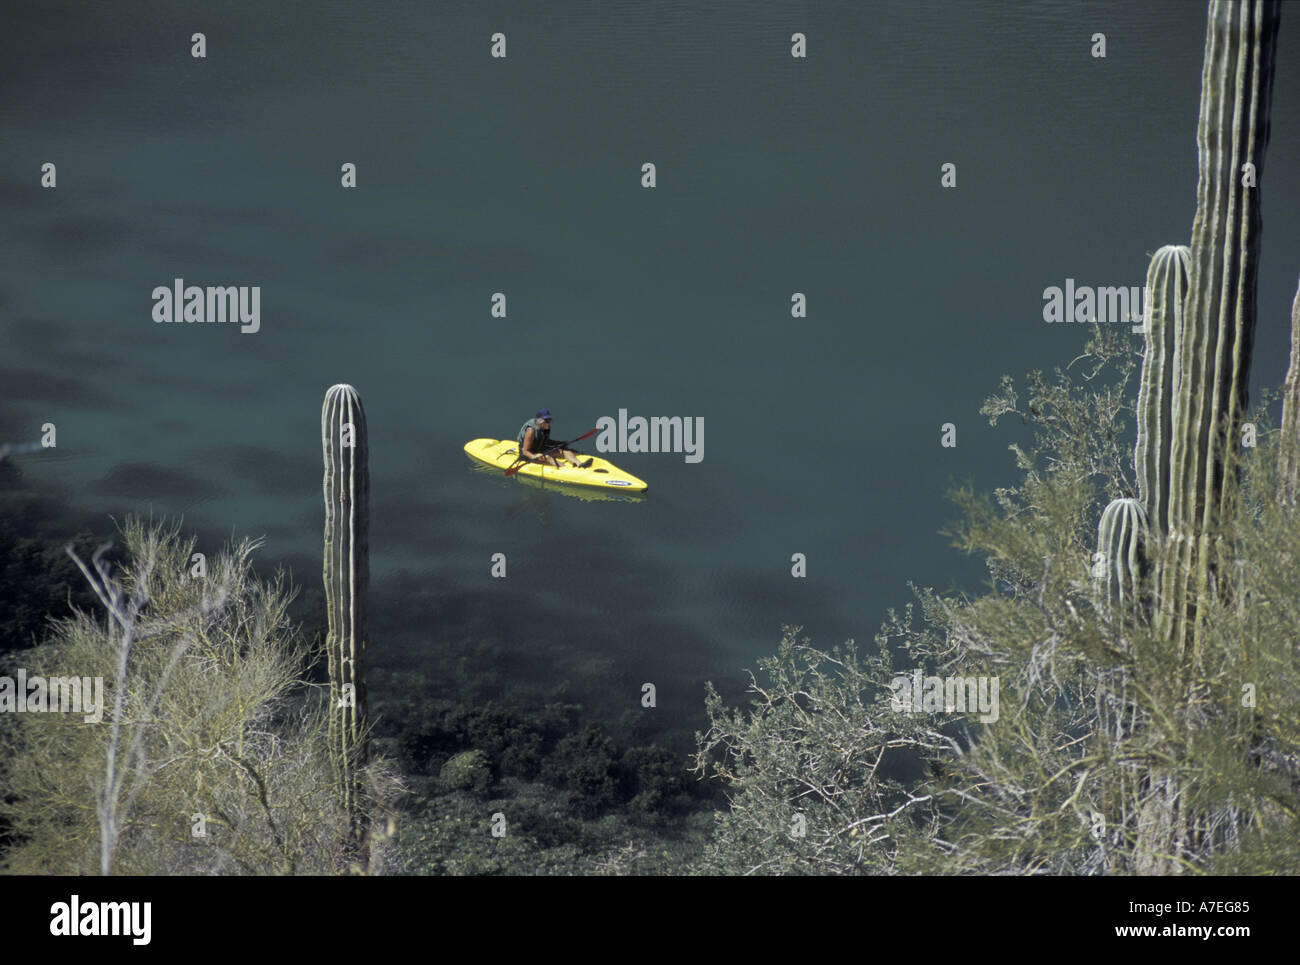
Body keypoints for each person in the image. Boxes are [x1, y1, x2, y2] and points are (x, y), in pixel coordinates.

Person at [517, 409, 592, 468]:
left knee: (566, 452)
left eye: (550, 420)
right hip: (529, 454)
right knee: (548, 457)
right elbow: (525, 451)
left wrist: (561, 443)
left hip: (540, 449)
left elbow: (545, 441)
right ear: (540, 421)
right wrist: (534, 456)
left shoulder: (545, 427)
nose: (549, 423)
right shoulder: (531, 431)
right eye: (547, 421)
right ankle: (565, 469)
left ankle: (580, 464)